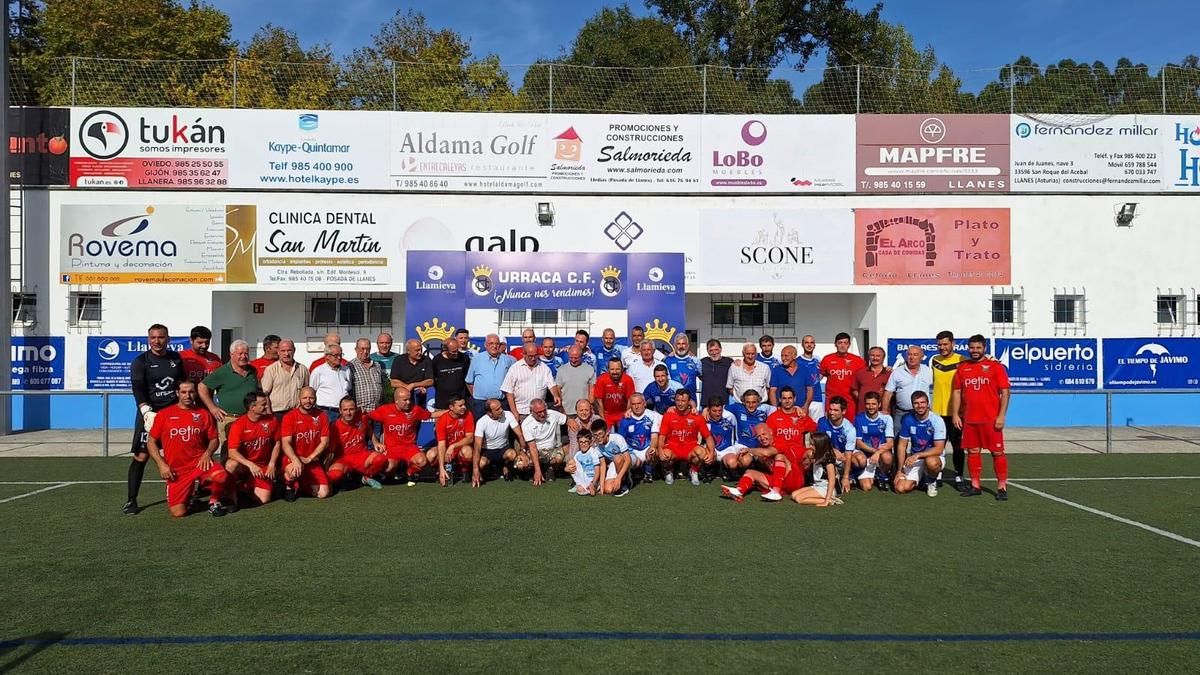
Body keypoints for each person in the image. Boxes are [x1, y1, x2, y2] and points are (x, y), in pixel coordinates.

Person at [124, 323, 187, 515]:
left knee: (177, 456)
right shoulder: (140, 361)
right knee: (141, 456)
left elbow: (181, 384)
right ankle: (131, 500)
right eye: (153, 337)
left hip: (173, 415)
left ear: (168, 339)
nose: (157, 341)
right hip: (150, 415)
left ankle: (182, 497)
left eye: (161, 337)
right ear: (148, 339)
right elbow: (138, 387)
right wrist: (145, 409)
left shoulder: (175, 358)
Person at [146, 380, 233, 518]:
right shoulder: (164, 414)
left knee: (221, 476)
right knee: (179, 513)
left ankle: (214, 501)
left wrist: (208, 453)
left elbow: (214, 439)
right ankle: (189, 494)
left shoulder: (203, 414)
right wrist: (161, 464)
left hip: (200, 462)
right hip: (177, 469)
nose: (188, 395)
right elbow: (151, 442)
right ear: (177, 393)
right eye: (184, 392)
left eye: (191, 392)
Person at [951, 334, 1012, 500]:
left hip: (991, 419)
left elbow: (1005, 392)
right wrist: (956, 414)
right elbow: (957, 392)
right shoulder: (963, 368)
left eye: (978, 348)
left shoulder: (995, 367)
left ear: (984, 348)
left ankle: (1002, 487)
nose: (975, 351)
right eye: (972, 348)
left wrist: (1001, 416)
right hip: (970, 419)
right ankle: (975, 486)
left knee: (997, 452)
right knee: (972, 451)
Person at [198, 339, 259, 460]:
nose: (243, 356)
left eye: (246, 353)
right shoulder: (222, 372)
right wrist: (212, 408)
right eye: (240, 353)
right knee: (228, 452)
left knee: (249, 450)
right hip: (229, 418)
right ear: (232, 355)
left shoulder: (253, 371)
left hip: (249, 418)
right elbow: (202, 387)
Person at [719, 423, 809, 504]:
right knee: (750, 472)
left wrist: (749, 450)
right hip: (780, 481)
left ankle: (775, 492)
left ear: (770, 432)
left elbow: (767, 453)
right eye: (758, 436)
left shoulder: (779, 442)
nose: (762, 438)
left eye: (763, 434)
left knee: (779, 457)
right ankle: (739, 491)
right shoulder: (761, 447)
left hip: (794, 480)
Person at [224, 390, 282, 506]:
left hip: (262, 465)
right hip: (245, 465)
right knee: (231, 464)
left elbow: (277, 443)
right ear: (252, 407)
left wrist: (271, 464)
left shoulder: (272, 420)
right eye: (263, 404)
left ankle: (243, 487)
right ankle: (228, 492)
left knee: (264, 499)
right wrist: (250, 465)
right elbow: (232, 452)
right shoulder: (238, 425)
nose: (267, 406)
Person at [761, 386, 818, 501]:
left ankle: (815, 481)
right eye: (784, 398)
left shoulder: (800, 416)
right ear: (780, 400)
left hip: (798, 453)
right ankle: (777, 489)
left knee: (813, 453)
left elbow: (815, 429)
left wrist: (813, 445)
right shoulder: (773, 418)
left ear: (795, 399)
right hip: (782, 453)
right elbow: (766, 438)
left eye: (790, 398)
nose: (787, 401)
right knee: (779, 456)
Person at [369, 388, 432, 486]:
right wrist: (375, 442)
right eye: (405, 400)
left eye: (409, 399)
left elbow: (431, 415)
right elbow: (365, 421)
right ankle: (392, 472)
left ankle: (409, 472)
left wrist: (450, 412)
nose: (408, 402)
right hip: (391, 448)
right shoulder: (384, 410)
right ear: (396, 401)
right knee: (388, 467)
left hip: (409, 447)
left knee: (422, 462)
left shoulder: (415, 409)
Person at [280, 386, 331, 500]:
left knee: (323, 493)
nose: (308, 401)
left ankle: (300, 486)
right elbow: (285, 443)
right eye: (305, 398)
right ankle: (288, 486)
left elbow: (325, 441)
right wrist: (295, 459)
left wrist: (310, 458)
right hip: (293, 459)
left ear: (315, 399)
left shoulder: (322, 416)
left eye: (311, 398)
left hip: (312, 460)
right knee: (294, 470)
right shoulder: (289, 417)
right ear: (299, 399)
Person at [655, 389, 715, 486]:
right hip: (672, 448)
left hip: (690, 449)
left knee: (702, 452)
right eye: (678, 400)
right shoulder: (668, 415)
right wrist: (660, 449)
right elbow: (662, 436)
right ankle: (669, 471)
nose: (680, 403)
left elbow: (708, 437)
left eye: (683, 401)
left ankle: (694, 470)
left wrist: (712, 452)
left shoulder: (697, 417)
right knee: (664, 454)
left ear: (689, 402)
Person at [931, 330, 966, 490]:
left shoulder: (962, 360)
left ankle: (959, 476)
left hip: (956, 414)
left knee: (958, 446)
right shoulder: (934, 360)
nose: (942, 347)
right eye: (939, 344)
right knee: (938, 446)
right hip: (937, 413)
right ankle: (937, 475)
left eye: (945, 344)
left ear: (953, 343)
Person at [326, 396, 385, 491]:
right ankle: (351, 477)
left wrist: (376, 442)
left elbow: (369, 430)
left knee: (380, 459)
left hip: (361, 456)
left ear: (356, 409)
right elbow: (331, 452)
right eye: (345, 410)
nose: (348, 413)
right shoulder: (335, 427)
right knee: (334, 475)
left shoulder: (362, 418)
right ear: (340, 411)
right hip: (343, 459)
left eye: (351, 409)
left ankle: (365, 477)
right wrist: (326, 468)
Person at [895, 391, 947, 497]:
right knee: (900, 488)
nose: (920, 406)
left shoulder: (937, 420)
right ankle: (922, 478)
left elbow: (939, 449)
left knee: (931, 462)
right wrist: (900, 469)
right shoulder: (907, 419)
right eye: (916, 403)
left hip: (933, 456)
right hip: (916, 457)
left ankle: (932, 482)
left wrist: (917, 455)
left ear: (928, 403)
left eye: (923, 402)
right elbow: (901, 445)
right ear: (912, 405)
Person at [883, 345, 934, 440]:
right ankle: (899, 455)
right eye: (909, 354)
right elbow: (888, 392)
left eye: (915, 355)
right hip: (902, 412)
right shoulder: (897, 372)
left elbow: (933, 391)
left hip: (923, 412)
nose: (912, 357)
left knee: (922, 439)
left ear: (922, 357)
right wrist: (884, 410)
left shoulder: (929, 371)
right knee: (897, 438)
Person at [472, 398, 526, 486]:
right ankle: (488, 472)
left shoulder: (508, 414)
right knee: (481, 464)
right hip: (488, 451)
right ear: (489, 413)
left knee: (512, 455)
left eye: (501, 407)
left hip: (504, 449)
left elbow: (520, 435)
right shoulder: (481, 422)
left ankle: (505, 467)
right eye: (497, 409)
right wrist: (475, 470)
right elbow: (477, 447)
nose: (501, 410)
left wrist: (523, 451)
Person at [501, 340, 560, 419]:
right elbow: (508, 391)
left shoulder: (544, 368)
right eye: (530, 356)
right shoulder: (515, 369)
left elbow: (551, 384)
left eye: (535, 356)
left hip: (540, 412)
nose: (533, 358)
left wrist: (556, 395)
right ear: (524, 354)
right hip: (522, 412)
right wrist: (514, 411)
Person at [465, 334, 516, 421]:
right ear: (485, 345)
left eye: (497, 344)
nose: (494, 346)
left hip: (501, 402)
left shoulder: (508, 360)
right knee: (480, 431)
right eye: (491, 343)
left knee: (501, 430)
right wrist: (476, 395)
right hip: (481, 404)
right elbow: (469, 381)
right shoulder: (476, 359)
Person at [851, 391, 894, 492]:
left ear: (879, 404)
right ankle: (857, 473)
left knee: (887, 457)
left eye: (874, 404)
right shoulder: (859, 418)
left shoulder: (887, 418)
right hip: (865, 454)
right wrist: (874, 451)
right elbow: (858, 442)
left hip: (880, 454)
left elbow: (890, 443)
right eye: (868, 404)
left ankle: (881, 475)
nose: (871, 407)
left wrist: (878, 453)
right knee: (867, 487)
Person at [519, 398, 567, 486]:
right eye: (539, 412)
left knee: (559, 457)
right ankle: (534, 471)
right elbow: (532, 448)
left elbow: (568, 420)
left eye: (544, 410)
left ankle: (550, 469)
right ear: (531, 412)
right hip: (536, 451)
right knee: (520, 464)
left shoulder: (553, 414)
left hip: (552, 450)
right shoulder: (526, 424)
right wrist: (537, 471)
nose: (543, 414)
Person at [820, 332, 866, 421]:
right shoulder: (827, 359)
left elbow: (867, 376)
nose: (842, 345)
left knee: (850, 427)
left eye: (845, 343)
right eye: (840, 343)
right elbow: (818, 377)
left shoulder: (858, 361)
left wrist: (886, 369)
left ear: (849, 345)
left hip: (850, 401)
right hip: (832, 401)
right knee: (831, 426)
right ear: (835, 344)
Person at [615, 393, 660, 483]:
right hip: (632, 451)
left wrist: (652, 447)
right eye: (633, 404)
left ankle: (648, 473)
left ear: (644, 403)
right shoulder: (625, 419)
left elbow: (654, 436)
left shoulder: (653, 416)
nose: (636, 406)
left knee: (654, 452)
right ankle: (631, 473)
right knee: (624, 459)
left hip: (646, 448)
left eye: (639, 403)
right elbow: (621, 440)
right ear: (630, 405)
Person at [816, 396, 858, 494]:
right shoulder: (822, 422)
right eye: (830, 409)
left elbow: (848, 453)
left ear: (843, 412)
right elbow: (819, 443)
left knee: (860, 460)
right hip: (828, 452)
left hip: (843, 455)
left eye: (835, 410)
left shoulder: (849, 429)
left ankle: (850, 477)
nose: (831, 412)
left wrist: (846, 477)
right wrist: (833, 450)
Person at [261, 339, 308, 421]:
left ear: (294, 350)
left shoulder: (302, 369)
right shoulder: (271, 370)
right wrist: (269, 414)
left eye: (289, 350)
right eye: (283, 351)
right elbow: (265, 394)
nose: (286, 354)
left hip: (297, 413)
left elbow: (306, 390)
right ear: (278, 351)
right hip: (277, 414)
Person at [791, 432, 840, 507]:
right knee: (793, 495)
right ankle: (822, 498)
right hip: (818, 485)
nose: (810, 446)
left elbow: (832, 481)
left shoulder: (828, 461)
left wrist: (826, 500)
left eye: (813, 445)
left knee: (799, 499)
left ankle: (829, 500)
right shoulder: (815, 455)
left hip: (826, 488)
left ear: (820, 446)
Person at [703, 396, 744, 477]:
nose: (717, 413)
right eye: (714, 411)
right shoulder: (704, 418)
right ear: (709, 409)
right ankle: (711, 469)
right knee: (706, 458)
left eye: (720, 411)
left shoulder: (730, 417)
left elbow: (736, 435)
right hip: (711, 449)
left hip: (727, 449)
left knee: (732, 463)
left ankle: (724, 469)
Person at [310, 345, 351, 423]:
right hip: (326, 411)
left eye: (341, 355)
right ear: (327, 356)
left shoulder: (346, 370)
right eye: (336, 355)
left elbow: (348, 388)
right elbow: (312, 392)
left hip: (344, 412)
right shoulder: (318, 371)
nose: (339, 358)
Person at [725, 389, 775, 454]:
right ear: (743, 402)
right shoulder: (737, 408)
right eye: (748, 402)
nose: (751, 405)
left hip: (760, 446)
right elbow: (719, 408)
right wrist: (707, 409)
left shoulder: (765, 409)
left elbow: (779, 411)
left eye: (754, 402)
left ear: (758, 402)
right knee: (746, 460)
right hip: (742, 446)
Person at [390, 339, 434, 409]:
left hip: (419, 400)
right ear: (408, 351)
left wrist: (413, 385)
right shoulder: (399, 360)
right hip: (402, 400)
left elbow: (430, 381)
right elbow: (394, 382)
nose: (420, 352)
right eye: (417, 350)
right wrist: (407, 387)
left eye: (421, 350)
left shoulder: (426, 360)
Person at [348, 338, 385, 419]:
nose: (365, 352)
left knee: (377, 432)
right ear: (356, 349)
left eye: (368, 349)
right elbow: (348, 390)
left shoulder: (377, 365)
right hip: (361, 413)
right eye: (362, 349)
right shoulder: (350, 366)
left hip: (377, 411)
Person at [592, 419, 631, 496]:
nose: (598, 437)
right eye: (595, 435)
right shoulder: (597, 447)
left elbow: (628, 459)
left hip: (629, 459)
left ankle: (625, 482)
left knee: (617, 458)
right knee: (609, 489)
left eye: (600, 434)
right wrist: (602, 488)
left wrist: (618, 478)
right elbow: (603, 466)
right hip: (615, 463)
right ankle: (619, 481)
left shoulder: (617, 438)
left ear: (607, 432)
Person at [593, 358, 635, 428]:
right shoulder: (601, 380)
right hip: (607, 414)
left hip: (622, 412)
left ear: (622, 369)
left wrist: (627, 415)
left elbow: (630, 399)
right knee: (607, 435)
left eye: (617, 369)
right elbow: (599, 401)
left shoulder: (628, 379)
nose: (615, 372)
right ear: (608, 369)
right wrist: (603, 419)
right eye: (612, 369)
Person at [431, 336, 469, 412]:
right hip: (442, 401)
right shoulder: (437, 360)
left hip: (460, 401)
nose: (456, 354)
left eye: (457, 350)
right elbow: (433, 378)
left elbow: (467, 377)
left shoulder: (464, 358)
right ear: (445, 350)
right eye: (453, 352)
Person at [555, 346, 596, 417]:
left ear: (581, 356)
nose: (573, 360)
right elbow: (558, 390)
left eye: (576, 358)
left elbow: (592, 391)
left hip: (584, 412)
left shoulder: (589, 369)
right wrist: (561, 408)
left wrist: (590, 406)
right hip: (567, 411)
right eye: (571, 357)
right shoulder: (561, 370)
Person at [851, 346, 891, 415]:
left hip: (883, 413)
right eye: (872, 355)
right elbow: (854, 390)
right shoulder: (860, 373)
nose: (875, 358)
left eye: (878, 356)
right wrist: (863, 399)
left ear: (883, 358)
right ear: (869, 357)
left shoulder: (890, 374)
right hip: (863, 413)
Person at [664, 333, 701, 401]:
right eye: (678, 344)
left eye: (683, 343)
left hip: (691, 401)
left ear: (688, 345)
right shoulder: (667, 361)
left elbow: (703, 377)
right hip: (672, 401)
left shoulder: (695, 361)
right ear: (674, 345)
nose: (681, 346)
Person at [565, 429, 601, 496]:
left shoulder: (593, 452)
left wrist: (593, 484)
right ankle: (585, 488)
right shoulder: (578, 454)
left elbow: (597, 470)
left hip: (593, 480)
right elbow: (572, 467)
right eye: (581, 442)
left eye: (586, 442)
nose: (583, 444)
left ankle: (591, 488)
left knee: (581, 490)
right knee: (571, 462)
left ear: (590, 441)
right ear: (578, 442)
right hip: (583, 479)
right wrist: (566, 469)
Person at [699, 339, 733, 406]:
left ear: (720, 349)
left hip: (724, 402)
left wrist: (738, 361)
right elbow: (691, 359)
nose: (714, 353)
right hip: (707, 403)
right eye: (711, 350)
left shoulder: (729, 362)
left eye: (716, 349)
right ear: (707, 351)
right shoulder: (702, 362)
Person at [798, 335, 824, 418]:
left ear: (814, 345)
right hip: (802, 400)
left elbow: (821, 374)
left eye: (811, 343)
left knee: (817, 428)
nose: (809, 345)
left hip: (817, 400)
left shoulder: (817, 360)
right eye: (806, 342)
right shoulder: (797, 361)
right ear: (802, 345)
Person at [370, 332, 400, 405]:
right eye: (381, 343)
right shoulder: (370, 358)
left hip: (395, 398)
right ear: (377, 344)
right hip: (377, 399)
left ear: (391, 343)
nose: (384, 345)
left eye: (387, 343)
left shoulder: (399, 358)